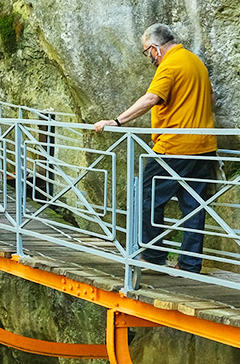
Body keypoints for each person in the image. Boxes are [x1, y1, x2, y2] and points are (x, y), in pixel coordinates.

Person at [93, 24, 217, 273]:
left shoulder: (169, 65)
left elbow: (151, 98)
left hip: (174, 147)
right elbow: (211, 99)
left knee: (147, 198)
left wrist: (116, 122)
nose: (148, 58)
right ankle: (190, 265)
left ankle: (152, 256)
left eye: (146, 52)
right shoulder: (195, 62)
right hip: (204, 147)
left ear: (155, 49)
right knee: (194, 206)